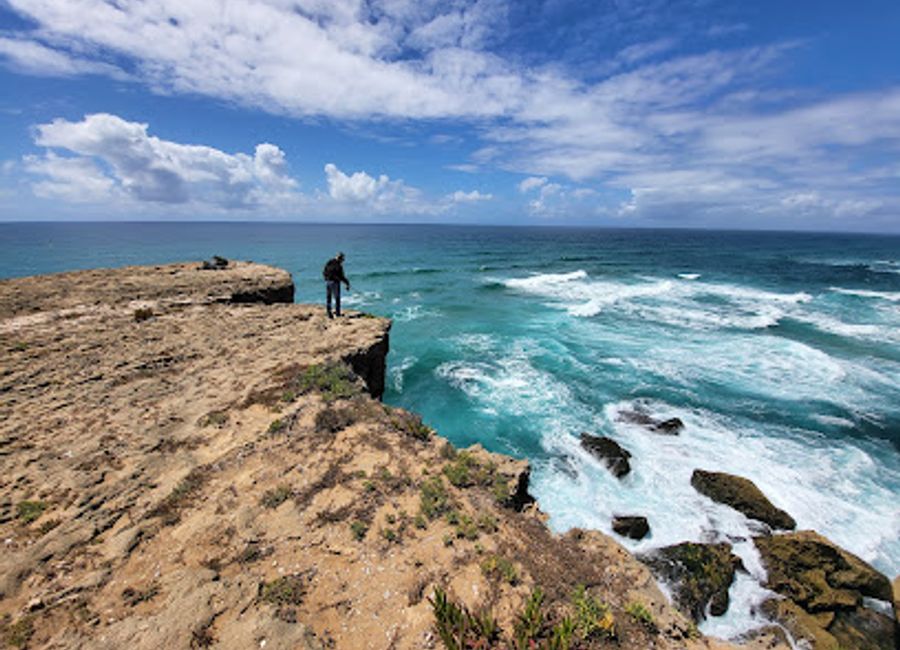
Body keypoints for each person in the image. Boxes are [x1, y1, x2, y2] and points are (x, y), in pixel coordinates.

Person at [322, 252, 350, 318]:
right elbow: (342, 276)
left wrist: (326, 278)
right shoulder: (339, 266)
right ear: (340, 258)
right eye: (342, 259)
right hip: (335, 283)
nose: (342, 261)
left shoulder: (329, 262)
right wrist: (347, 284)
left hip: (328, 282)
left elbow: (324, 271)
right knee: (337, 298)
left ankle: (329, 313)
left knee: (328, 298)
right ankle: (337, 314)